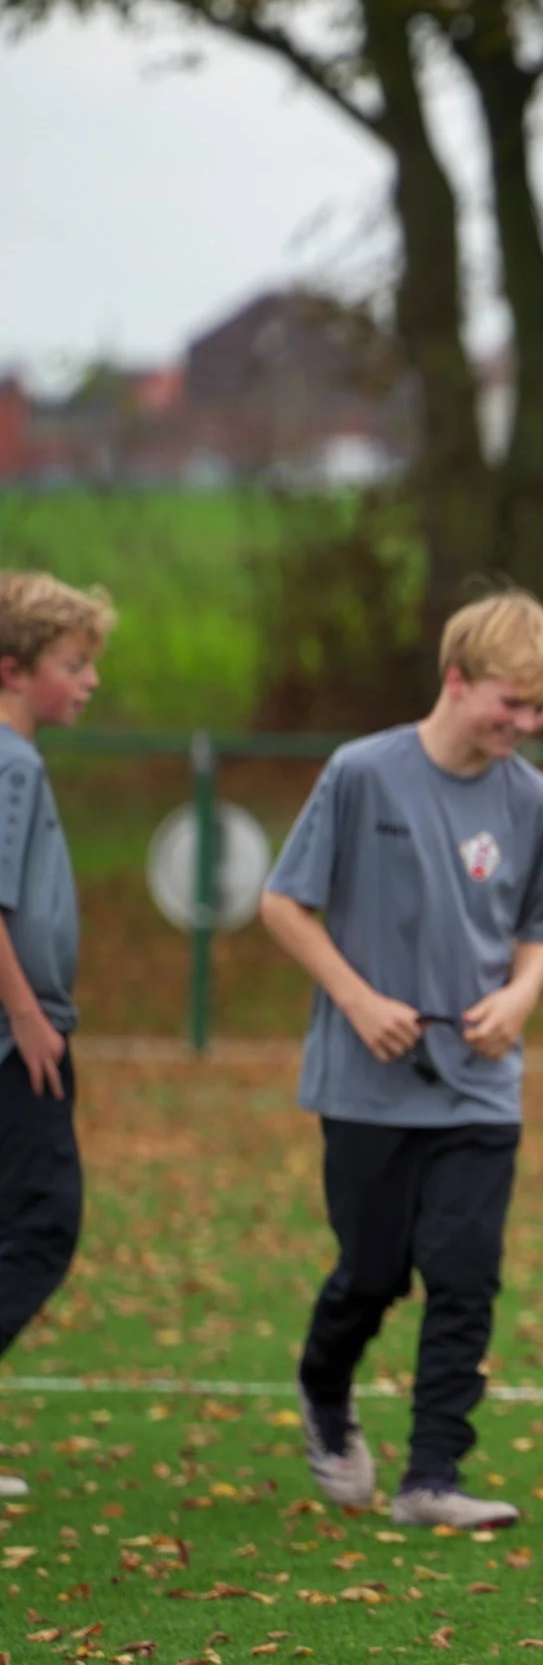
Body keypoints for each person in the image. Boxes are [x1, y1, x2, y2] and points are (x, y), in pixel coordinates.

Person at [262, 590, 543, 1528]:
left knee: (464, 1270)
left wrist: (518, 999)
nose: (524, 727)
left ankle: (432, 1476)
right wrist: (358, 1000)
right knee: (372, 1272)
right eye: (512, 704)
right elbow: (285, 903)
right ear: (456, 678)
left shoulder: (534, 798)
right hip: (366, 1080)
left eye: (540, 712)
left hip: (481, 1084)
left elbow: (538, 930)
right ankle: (325, 1387)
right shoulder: (362, 772)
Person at [0, 573, 112, 1502]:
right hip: (15, 1038)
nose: (89, 681)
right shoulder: (10, 762)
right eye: (72, 665)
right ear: (12, 669)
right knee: (43, 1223)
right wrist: (30, 1018)